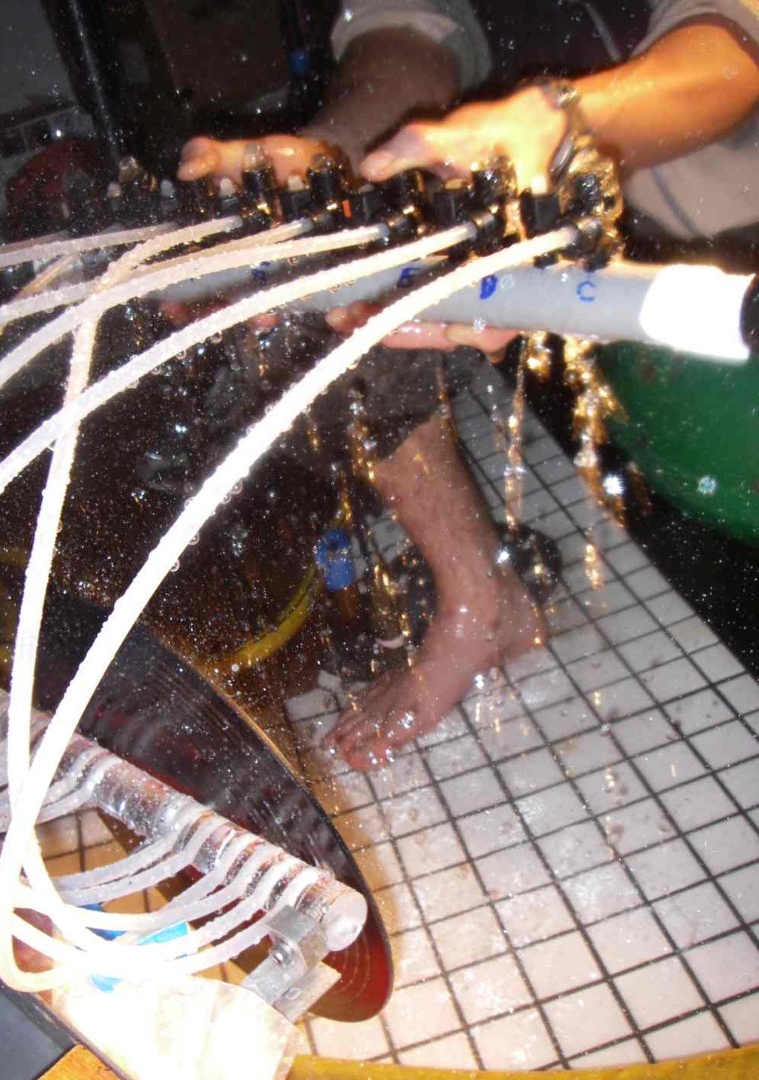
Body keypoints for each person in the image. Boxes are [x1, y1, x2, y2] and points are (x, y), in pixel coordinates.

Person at [177, 0, 759, 771]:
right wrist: (339, 164)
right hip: (603, 290)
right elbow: (407, 38)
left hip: (721, 280)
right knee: (325, 271)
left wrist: (566, 124)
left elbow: (731, 50)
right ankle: (484, 600)